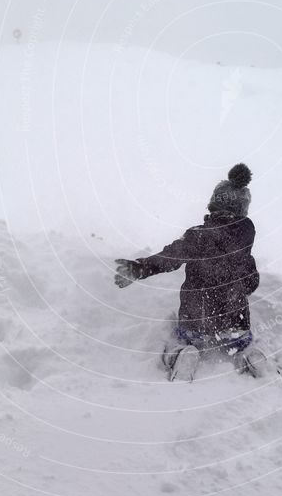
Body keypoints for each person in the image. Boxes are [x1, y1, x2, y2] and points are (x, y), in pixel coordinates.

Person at [114, 163, 267, 381]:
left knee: (182, 339)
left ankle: (181, 354)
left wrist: (139, 268)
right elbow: (252, 282)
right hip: (236, 322)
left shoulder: (198, 236)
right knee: (241, 340)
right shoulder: (244, 246)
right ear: (243, 209)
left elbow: (171, 257)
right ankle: (247, 356)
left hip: (197, 321)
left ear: (213, 204)